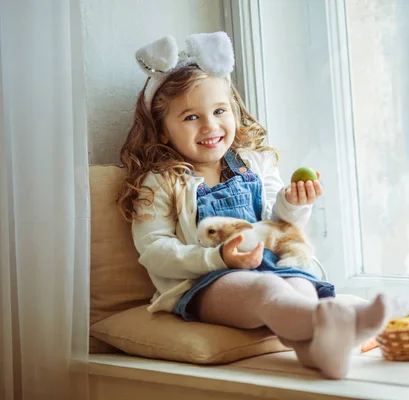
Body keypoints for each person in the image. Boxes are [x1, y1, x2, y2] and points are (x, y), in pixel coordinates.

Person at [117, 32, 390, 380]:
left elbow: (278, 225)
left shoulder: (254, 163)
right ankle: (339, 318)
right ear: (163, 131)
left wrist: (293, 204)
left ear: (233, 111)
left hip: (274, 264)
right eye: (190, 117)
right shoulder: (162, 182)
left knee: (299, 286)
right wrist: (217, 259)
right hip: (206, 284)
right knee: (267, 290)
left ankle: (324, 353)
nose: (210, 125)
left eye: (219, 111)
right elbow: (154, 250)